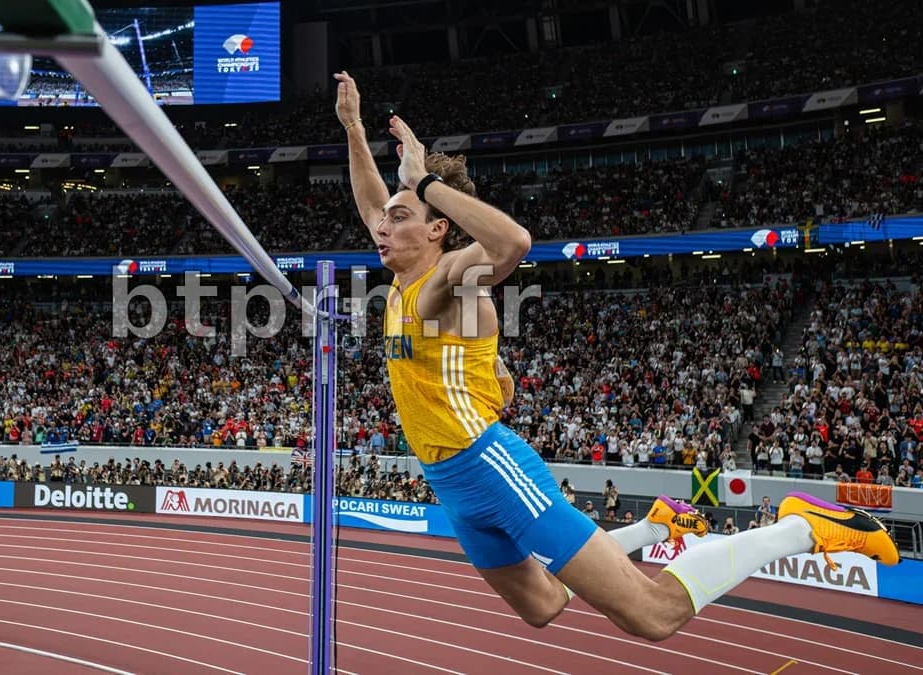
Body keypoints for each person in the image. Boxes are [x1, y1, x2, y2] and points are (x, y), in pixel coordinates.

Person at [333, 70, 899, 641]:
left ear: (437, 229)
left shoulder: (447, 279)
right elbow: (370, 203)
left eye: (399, 216)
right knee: (543, 605)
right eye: (386, 219)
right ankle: (655, 527)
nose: (381, 224)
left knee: (653, 615)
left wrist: (424, 180)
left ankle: (802, 527)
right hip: (450, 483)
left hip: (489, 465)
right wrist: (354, 127)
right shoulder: (404, 275)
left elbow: (514, 244)